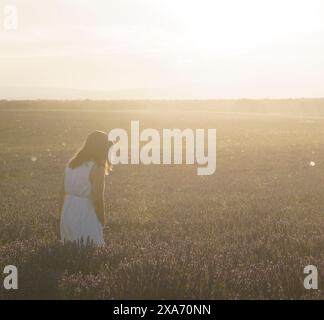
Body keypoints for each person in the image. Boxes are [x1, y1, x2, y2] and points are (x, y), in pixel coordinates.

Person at [56, 130, 112, 245]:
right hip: (86, 214)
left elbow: (62, 193)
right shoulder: (97, 167)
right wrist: (102, 219)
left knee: (69, 251)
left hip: (67, 212)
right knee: (92, 249)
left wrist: (60, 217)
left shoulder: (71, 164)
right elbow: (97, 198)